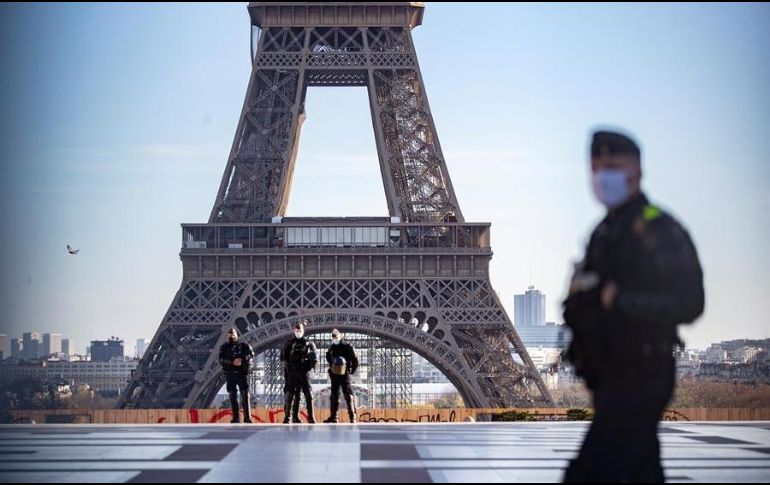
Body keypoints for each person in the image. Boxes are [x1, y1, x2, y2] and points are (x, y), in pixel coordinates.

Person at [563, 129, 704, 482]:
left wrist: (620, 300)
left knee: (587, 474)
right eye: (596, 167)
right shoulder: (603, 233)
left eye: (612, 166)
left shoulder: (658, 229)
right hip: (609, 376)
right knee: (643, 471)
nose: (601, 176)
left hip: (641, 374)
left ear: (636, 172)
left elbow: (690, 302)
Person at [280, 320, 317, 424]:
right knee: (290, 394)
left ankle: (311, 417)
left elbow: (314, 359)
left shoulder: (309, 344)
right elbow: (283, 357)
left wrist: (308, 367)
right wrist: (289, 366)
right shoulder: (289, 343)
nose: (298, 331)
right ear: (294, 330)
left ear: (303, 330)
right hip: (292, 371)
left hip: (304, 371)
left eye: (299, 330)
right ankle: (288, 417)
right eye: (296, 330)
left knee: (308, 394)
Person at [218, 328, 254, 424]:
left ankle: (247, 418)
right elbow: (220, 359)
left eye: (233, 334)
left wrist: (242, 360)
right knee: (233, 395)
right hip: (230, 373)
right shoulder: (224, 347)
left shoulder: (243, 346)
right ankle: (236, 417)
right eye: (230, 334)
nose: (231, 336)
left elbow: (251, 354)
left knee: (245, 395)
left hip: (241, 373)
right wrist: (232, 362)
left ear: (237, 335)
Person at [323, 329, 359, 423]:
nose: (334, 339)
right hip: (335, 374)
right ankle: (334, 417)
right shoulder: (331, 347)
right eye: (333, 337)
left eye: (336, 337)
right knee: (334, 395)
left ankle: (352, 416)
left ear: (340, 336)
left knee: (348, 395)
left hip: (344, 373)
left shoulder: (347, 346)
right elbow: (328, 358)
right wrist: (332, 367)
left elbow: (355, 359)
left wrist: (351, 370)